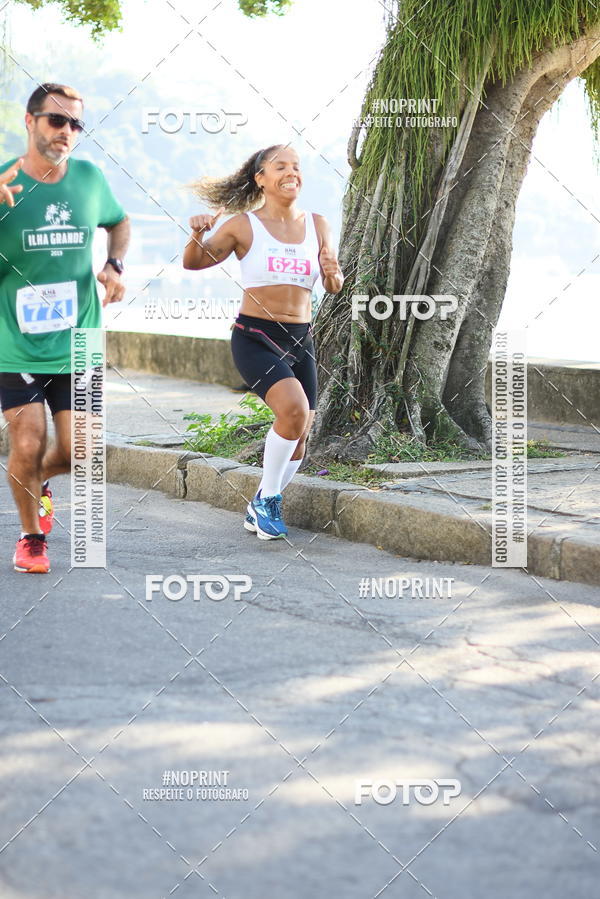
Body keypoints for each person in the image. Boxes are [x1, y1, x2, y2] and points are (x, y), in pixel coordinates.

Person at [0, 83, 130, 573]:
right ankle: (31, 536)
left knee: (81, 452)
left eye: (76, 123)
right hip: (15, 344)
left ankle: (37, 483)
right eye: (57, 120)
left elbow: (119, 222)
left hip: (79, 343)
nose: (67, 132)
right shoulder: (2, 182)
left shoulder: (89, 180)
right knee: (28, 442)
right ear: (29, 121)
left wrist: (114, 264)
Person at [183, 144, 343, 540]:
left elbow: (333, 284)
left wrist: (332, 274)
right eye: (280, 167)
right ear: (261, 179)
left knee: (300, 432)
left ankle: (262, 501)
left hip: (300, 336)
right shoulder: (243, 226)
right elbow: (195, 262)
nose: (292, 173)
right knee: (293, 411)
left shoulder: (318, 223)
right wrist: (197, 234)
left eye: (297, 167)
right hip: (255, 335)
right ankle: (267, 501)